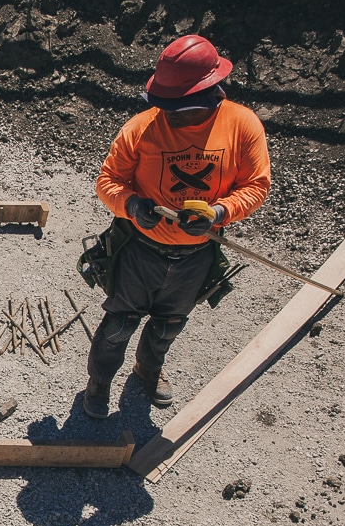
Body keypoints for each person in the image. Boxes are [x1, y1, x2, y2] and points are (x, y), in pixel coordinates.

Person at [83, 33, 271, 419]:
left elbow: (256, 185)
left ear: (211, 91)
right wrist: (133, 205)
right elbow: (108, 182)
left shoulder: (242, 125)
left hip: (196, 255)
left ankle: (148, 370)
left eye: (179, 109)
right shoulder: (141, 128)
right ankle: (99, 382)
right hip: (139, 250)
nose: (170, 116)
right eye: (166, 108)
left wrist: (219, 213)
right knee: (119, 323)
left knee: (169, 324)